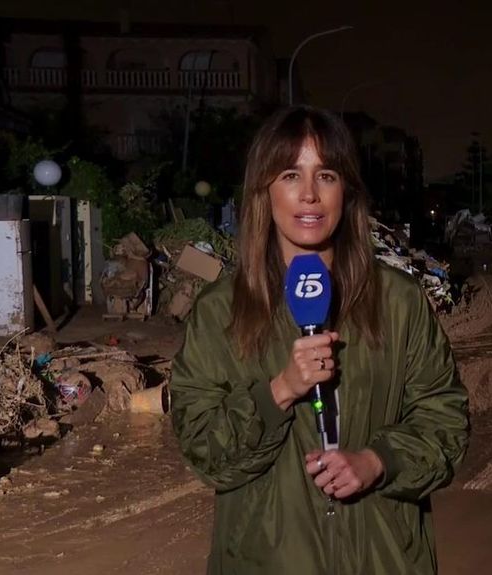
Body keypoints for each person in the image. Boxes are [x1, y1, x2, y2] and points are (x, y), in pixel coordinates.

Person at [170, 105, 469, 574]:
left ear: (346, 190)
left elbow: (445, 422)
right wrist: (280, 391)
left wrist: (378, 460)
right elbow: (203, 450)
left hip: (383, 558)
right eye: (291, 174)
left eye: (325, 175)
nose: (309, 195)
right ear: (263, 192)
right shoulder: (219, 312)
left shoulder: (399, 301)